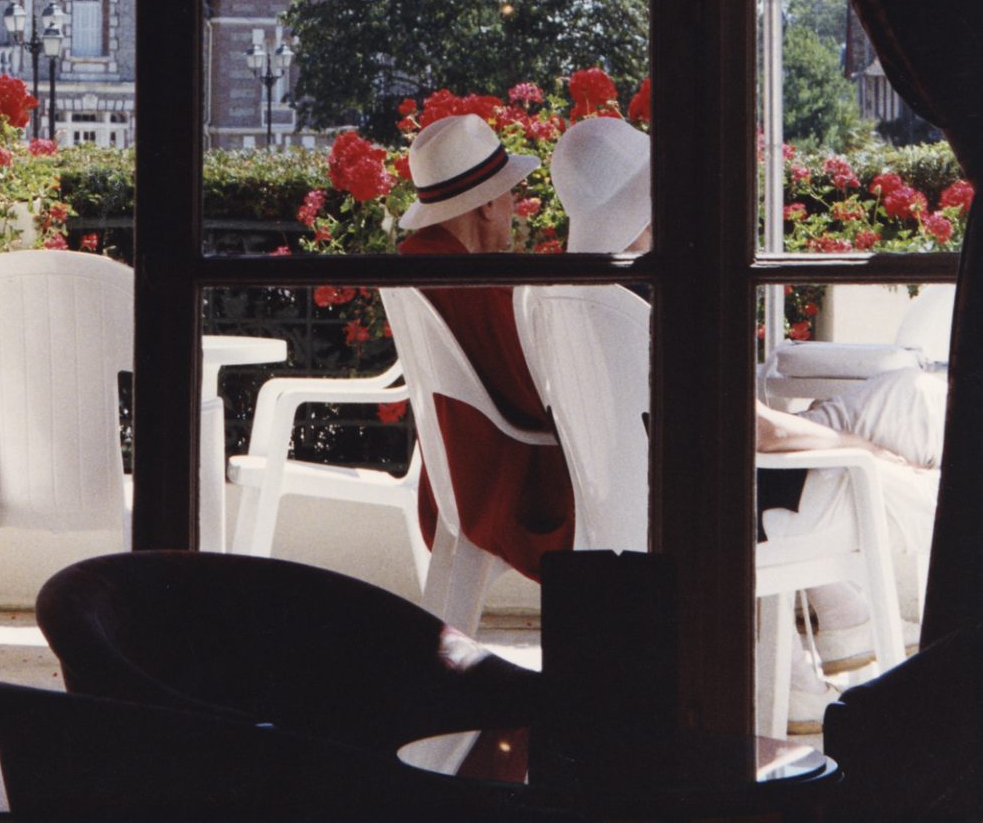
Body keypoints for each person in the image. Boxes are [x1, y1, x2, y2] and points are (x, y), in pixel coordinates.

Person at [550, 111, 944, 731]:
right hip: (743, 494)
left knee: (914, 398)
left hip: (691, 480)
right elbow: (756, 431)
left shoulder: (581, 297)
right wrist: (859, 449)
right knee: (917, 463)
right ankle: (891, 634)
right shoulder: (651, 302)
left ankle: (845, 624)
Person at [397, 112, 575, 584]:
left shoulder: (419, 265)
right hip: (516, 493)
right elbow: (545, 399)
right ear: (489, 205)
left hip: (458, 486)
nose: (515, 206)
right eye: (511, 192)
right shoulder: (479, 291)